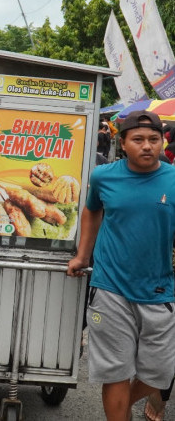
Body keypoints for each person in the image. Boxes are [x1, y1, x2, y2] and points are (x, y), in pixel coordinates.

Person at [67, 110, 175, 421]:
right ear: (122, 143)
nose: (147, 146)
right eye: (138, 139)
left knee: (160, 374)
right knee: (115, 372)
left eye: (154, 139)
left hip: (158, 289)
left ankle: (123, 404)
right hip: (110, 287)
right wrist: (82, 256)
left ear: (162, 142)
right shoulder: (104, 176)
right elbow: (92, 211)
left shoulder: (173, 180)